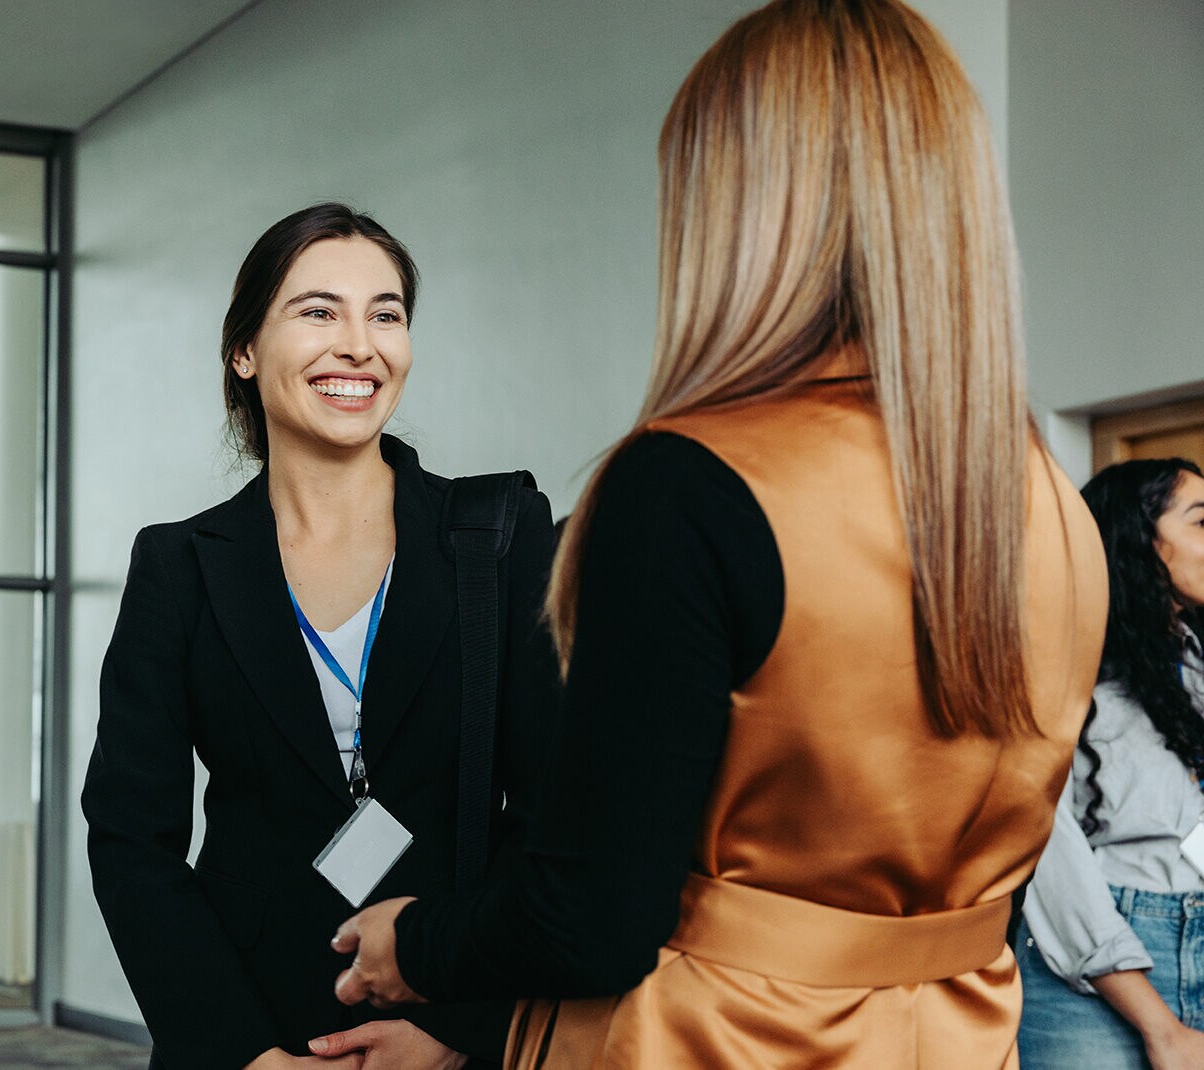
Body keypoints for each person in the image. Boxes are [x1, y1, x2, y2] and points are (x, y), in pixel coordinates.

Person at [326, 1, 1109, 1066]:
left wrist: (414, 939)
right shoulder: (1051, 506)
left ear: (739, 206)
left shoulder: (687, 483)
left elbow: (591, 912)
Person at [83, 202, 557, 1070]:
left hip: (449, 1011)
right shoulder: (179, 565)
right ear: (244, 350)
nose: (359, 344)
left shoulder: (501, 536)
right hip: (247, 1020)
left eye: (386, 314)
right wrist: (244, 1055)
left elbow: (554, 814)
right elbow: (129, 838)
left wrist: (460, 1039)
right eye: (318, 311)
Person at [1019, 458, 1204, 1069]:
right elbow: (1050, 854)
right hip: (1098, 967)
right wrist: (1158, 1024)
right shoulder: (1060, 671)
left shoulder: (1196, 663)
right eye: (1202, 522)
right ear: (1136, 542)